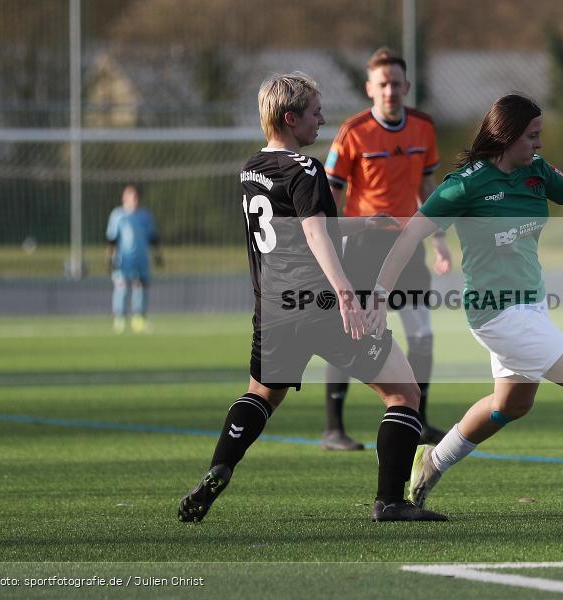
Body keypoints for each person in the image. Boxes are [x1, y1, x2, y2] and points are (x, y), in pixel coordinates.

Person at [177, 72, 447, 523]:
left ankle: (220, 467)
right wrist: (346, 295)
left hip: (273, 311)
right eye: (315, 113)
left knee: (262, 395)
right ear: (290, 118)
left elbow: (297, 227)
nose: (322, 120)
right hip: (321, 305)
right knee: (404, 392)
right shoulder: (308, 170)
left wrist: (364, 224)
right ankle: (390, 502)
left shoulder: (251, 169)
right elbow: (314, 233)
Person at [367, 93, 563, 511]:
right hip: (496, 312)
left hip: (532, 306)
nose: (539, 144)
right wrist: (377, 294)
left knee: (511, 404)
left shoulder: (537, 173)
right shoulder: (464, 184)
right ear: (506, 135)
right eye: (532, 136)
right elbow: (410, 235)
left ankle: (433, 458)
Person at [321, 47, 452, 451]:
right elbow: (330, 193)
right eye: (382, 84)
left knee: (422, 335)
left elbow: (426, 189)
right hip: (361, 247)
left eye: (396, 83)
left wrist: (440, 240)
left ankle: (419, 420)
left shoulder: (424, 128)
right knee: (350, 333)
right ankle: (334, 429)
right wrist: (329, 241)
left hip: (408, 245)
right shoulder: (353, 131)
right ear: (369, 89)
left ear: (406, 86)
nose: (390, 91)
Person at [106, 184, 163, 334]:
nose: (135, 199)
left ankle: (139, 319)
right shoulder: (118, 215)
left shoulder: (145, 216)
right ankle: (120, 319)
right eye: (132, 196)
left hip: (142, 258)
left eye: (136, 196)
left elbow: (153, 238)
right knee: (122, 287)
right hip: (123, 259)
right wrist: (109, 258)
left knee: (141, 287)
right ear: (125, 198)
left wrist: (157, 256)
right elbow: (112, 238)